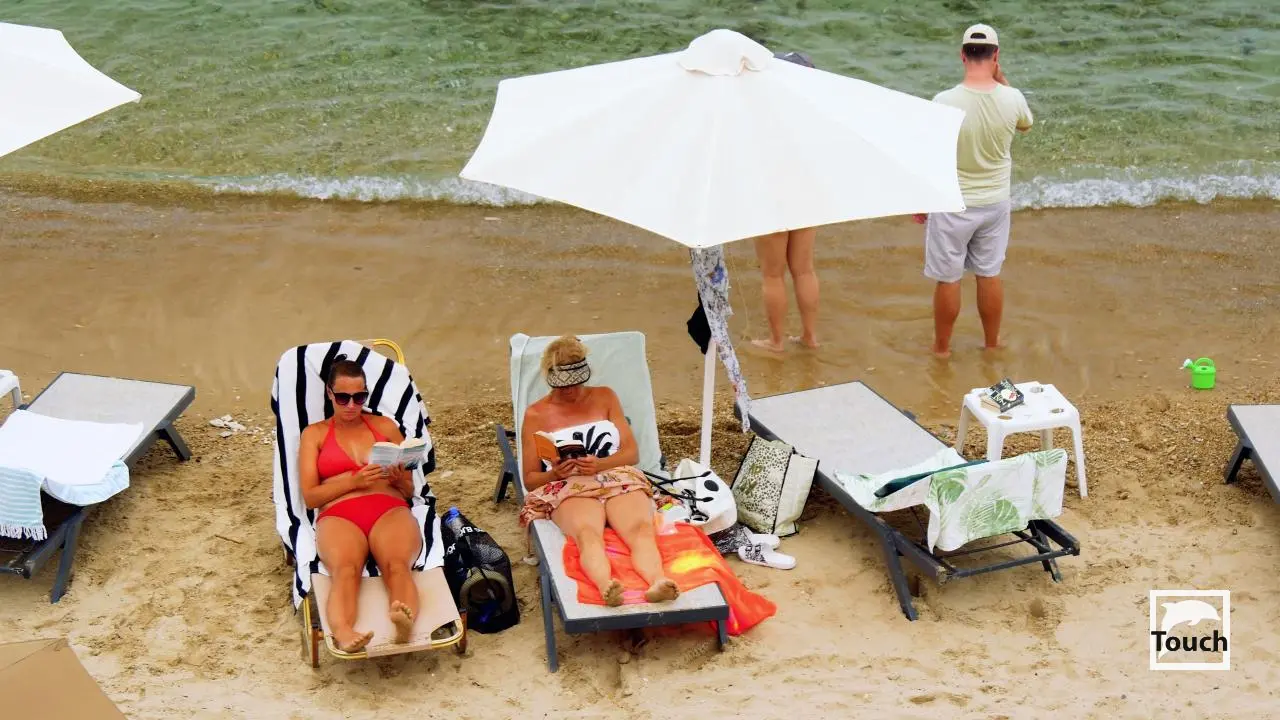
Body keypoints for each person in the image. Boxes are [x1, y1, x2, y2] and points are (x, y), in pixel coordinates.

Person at [518, 335, 679, 606]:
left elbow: (632, 453)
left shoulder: (605, 397)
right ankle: (607, 586)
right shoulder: (536, 414)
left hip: (616, 476)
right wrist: (556, 474)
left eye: (576, 383)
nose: (571, 391)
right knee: (587, 534)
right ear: (550, 378)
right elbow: (530, 479)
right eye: (563, 386)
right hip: (569, 485)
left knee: (640, 529)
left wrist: (599, 464)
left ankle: (657, 581)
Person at [915, 23, 1034, 358]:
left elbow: (930, 152)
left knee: (948, 278)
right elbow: (1025, 125)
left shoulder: (944, 101)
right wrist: (1002, 79)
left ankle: (941, 349)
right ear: (996, 55)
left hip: (954, 202)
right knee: (989, 273)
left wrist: (922, 198)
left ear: (962, 55)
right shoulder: (1012, 98)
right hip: (995, 202)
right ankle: (992, 343)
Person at [298, 356, 422, 653]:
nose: (352, 405)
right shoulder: (314, 434)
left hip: (389, 507)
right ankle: (343, 632)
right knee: (345, 569)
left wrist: (398, 479)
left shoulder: (386, 427)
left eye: (359, 397)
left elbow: (409, 489)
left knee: (397, 565)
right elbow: (311, 497)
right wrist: (354, 482)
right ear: (329, 393)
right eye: (343, 398)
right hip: (339, 513)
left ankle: (403, 621)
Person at [752, 50, 821, 353]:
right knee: (804, 270)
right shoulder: (814, 117)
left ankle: (777, 341)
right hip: (807, 192)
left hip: (773, 195)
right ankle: (810, 337)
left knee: (772, 273)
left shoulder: (764, 117)